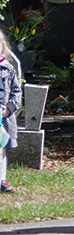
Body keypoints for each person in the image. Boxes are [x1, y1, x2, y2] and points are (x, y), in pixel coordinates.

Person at [0, 30, 22, 194]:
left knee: (1, 150)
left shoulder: (8, 68)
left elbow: (16, 91)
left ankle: (1, 180)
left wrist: (9, 108)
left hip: (3, 116)